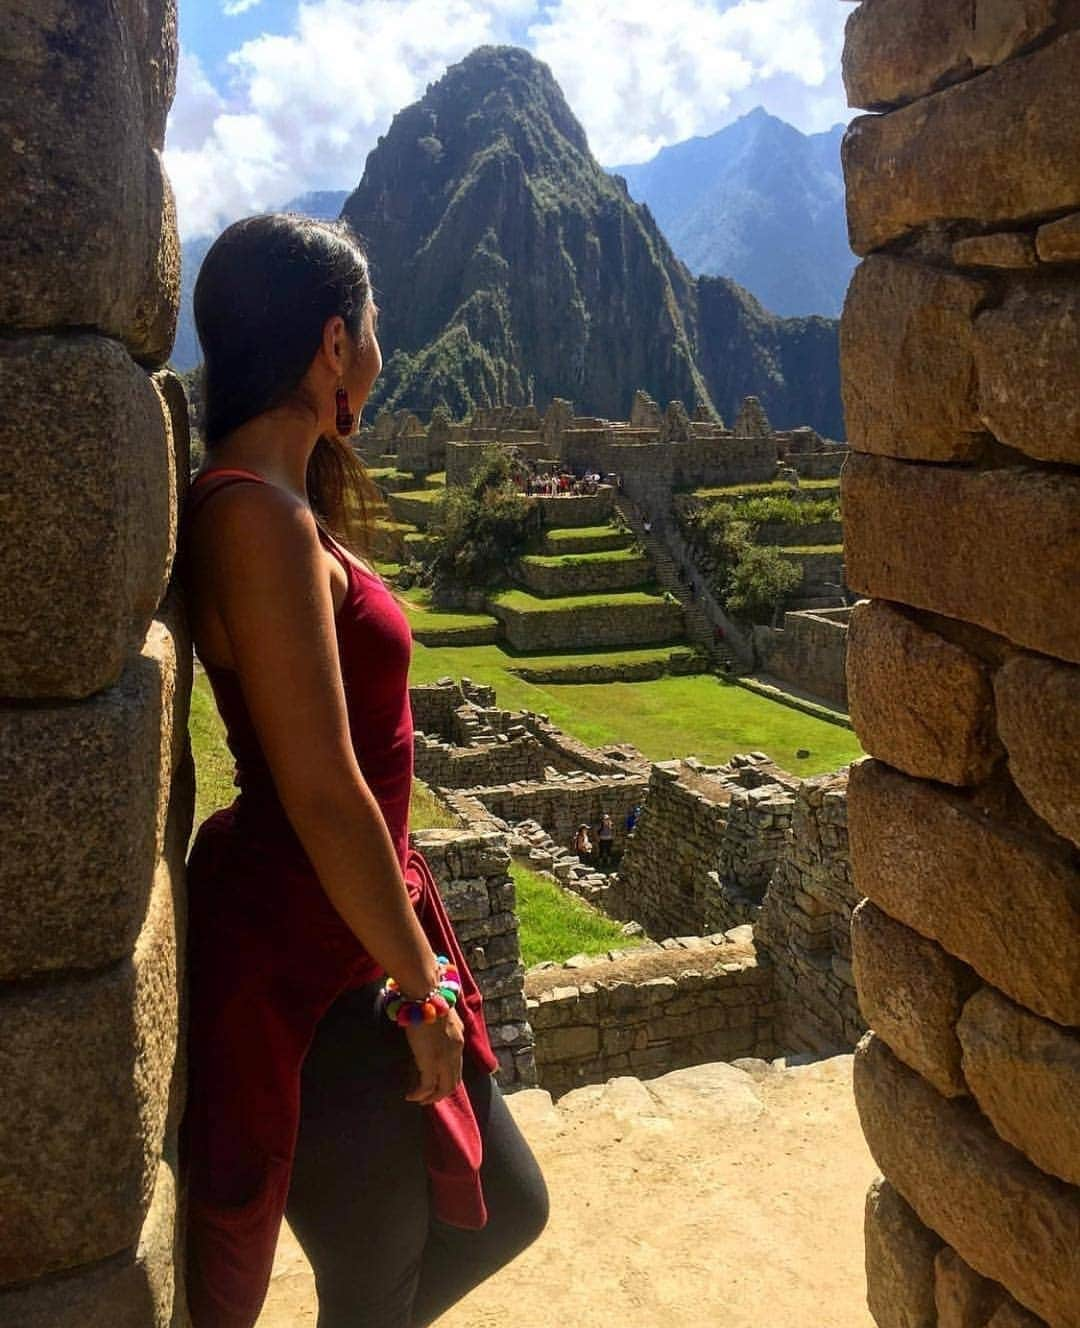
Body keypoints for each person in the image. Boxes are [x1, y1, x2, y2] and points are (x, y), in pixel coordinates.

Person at [180, 214, 547, 1328]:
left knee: (508, 1204)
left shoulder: (282, 507)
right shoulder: (255, 516)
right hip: (320, 964)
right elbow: (325, 788)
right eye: (374, 333)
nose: (381, 356)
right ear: (334, 345)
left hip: (354, 930)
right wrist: (416, 986)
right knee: (377, 1278)